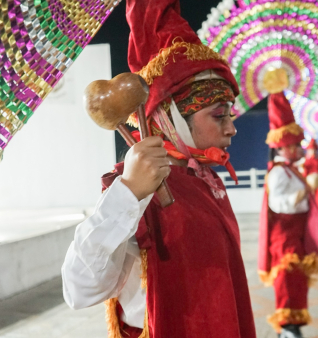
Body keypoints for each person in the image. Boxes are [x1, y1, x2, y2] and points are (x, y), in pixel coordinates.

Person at [61, 1, 257, 337]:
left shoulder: (204, 177)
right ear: (172, 117)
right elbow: (80, 289)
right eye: (218, 115)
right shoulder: (137, 187)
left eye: (231, 116)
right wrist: (129, 193)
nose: (231, 129)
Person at [259, 92, 318, 338]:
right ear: (283, 146)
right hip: (284, 236)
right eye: (294, 145)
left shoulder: (290, 171)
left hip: (295, 234)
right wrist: (306, 190)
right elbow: (279, 204)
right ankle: (286, 324)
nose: (298, 149)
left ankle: (293, 321)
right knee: (286, 277)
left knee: (296, 279)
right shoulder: (278, 173)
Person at [302, 139, 318, 214]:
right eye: (311, 150)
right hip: (309, 184)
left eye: (314, 150)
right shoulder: (305, 160)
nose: (313, 152)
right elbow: (304, 173)